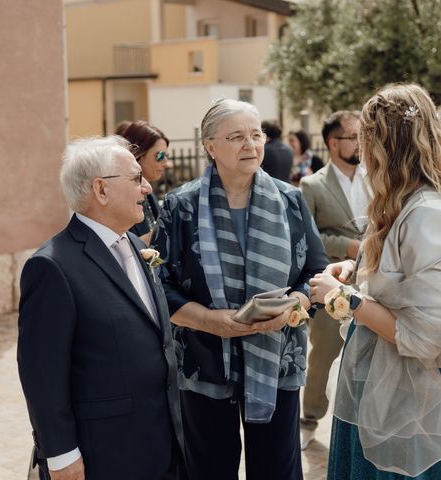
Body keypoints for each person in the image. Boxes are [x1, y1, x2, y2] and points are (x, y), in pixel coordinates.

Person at [311, 83, 441, 479]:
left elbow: (425, 337)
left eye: (366, 138)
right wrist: (353, 272)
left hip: (407, 395)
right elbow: (398, 283)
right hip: (376, 380)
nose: (361, 149)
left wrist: (348, 300)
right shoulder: (398, 201)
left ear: (387, 143)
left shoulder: (428, 213)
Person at [151, 98, 328, 480]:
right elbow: (157, 285)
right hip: (204, 357)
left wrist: (292, 306)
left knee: (276, 470)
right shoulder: (180, 206)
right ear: (210, 146)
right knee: (209, 468)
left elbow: (315, 274)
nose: (250, 145)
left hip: (278, 355)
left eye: (256, 134)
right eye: (236, 137)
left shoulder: (290, 200)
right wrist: (210, 320)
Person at [17, 136, 184, 480]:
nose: (148, 188)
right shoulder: (52, 267)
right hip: (105, 454)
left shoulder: (137, 247)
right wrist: (61, 455)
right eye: (136, 178)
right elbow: (41, 373)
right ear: (101, 190)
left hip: (160, 444)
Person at [298, 110, 371, 450]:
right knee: (323, 354)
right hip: (332, 283)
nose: (360, 143)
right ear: (332, 142)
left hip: (372, 283)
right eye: (353, 136)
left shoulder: (376, 178)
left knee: (368, 356)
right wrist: (348, 246)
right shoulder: (311, 184)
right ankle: (310, 416)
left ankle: (362, 422)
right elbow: (308, 237)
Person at [115, 120, 172, 245]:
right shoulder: (120, 198)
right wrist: (167, 230)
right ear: (138, 156)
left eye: (166, 156)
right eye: (160, 156)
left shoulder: (149, 195)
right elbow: (120, 248)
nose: (166, 163)